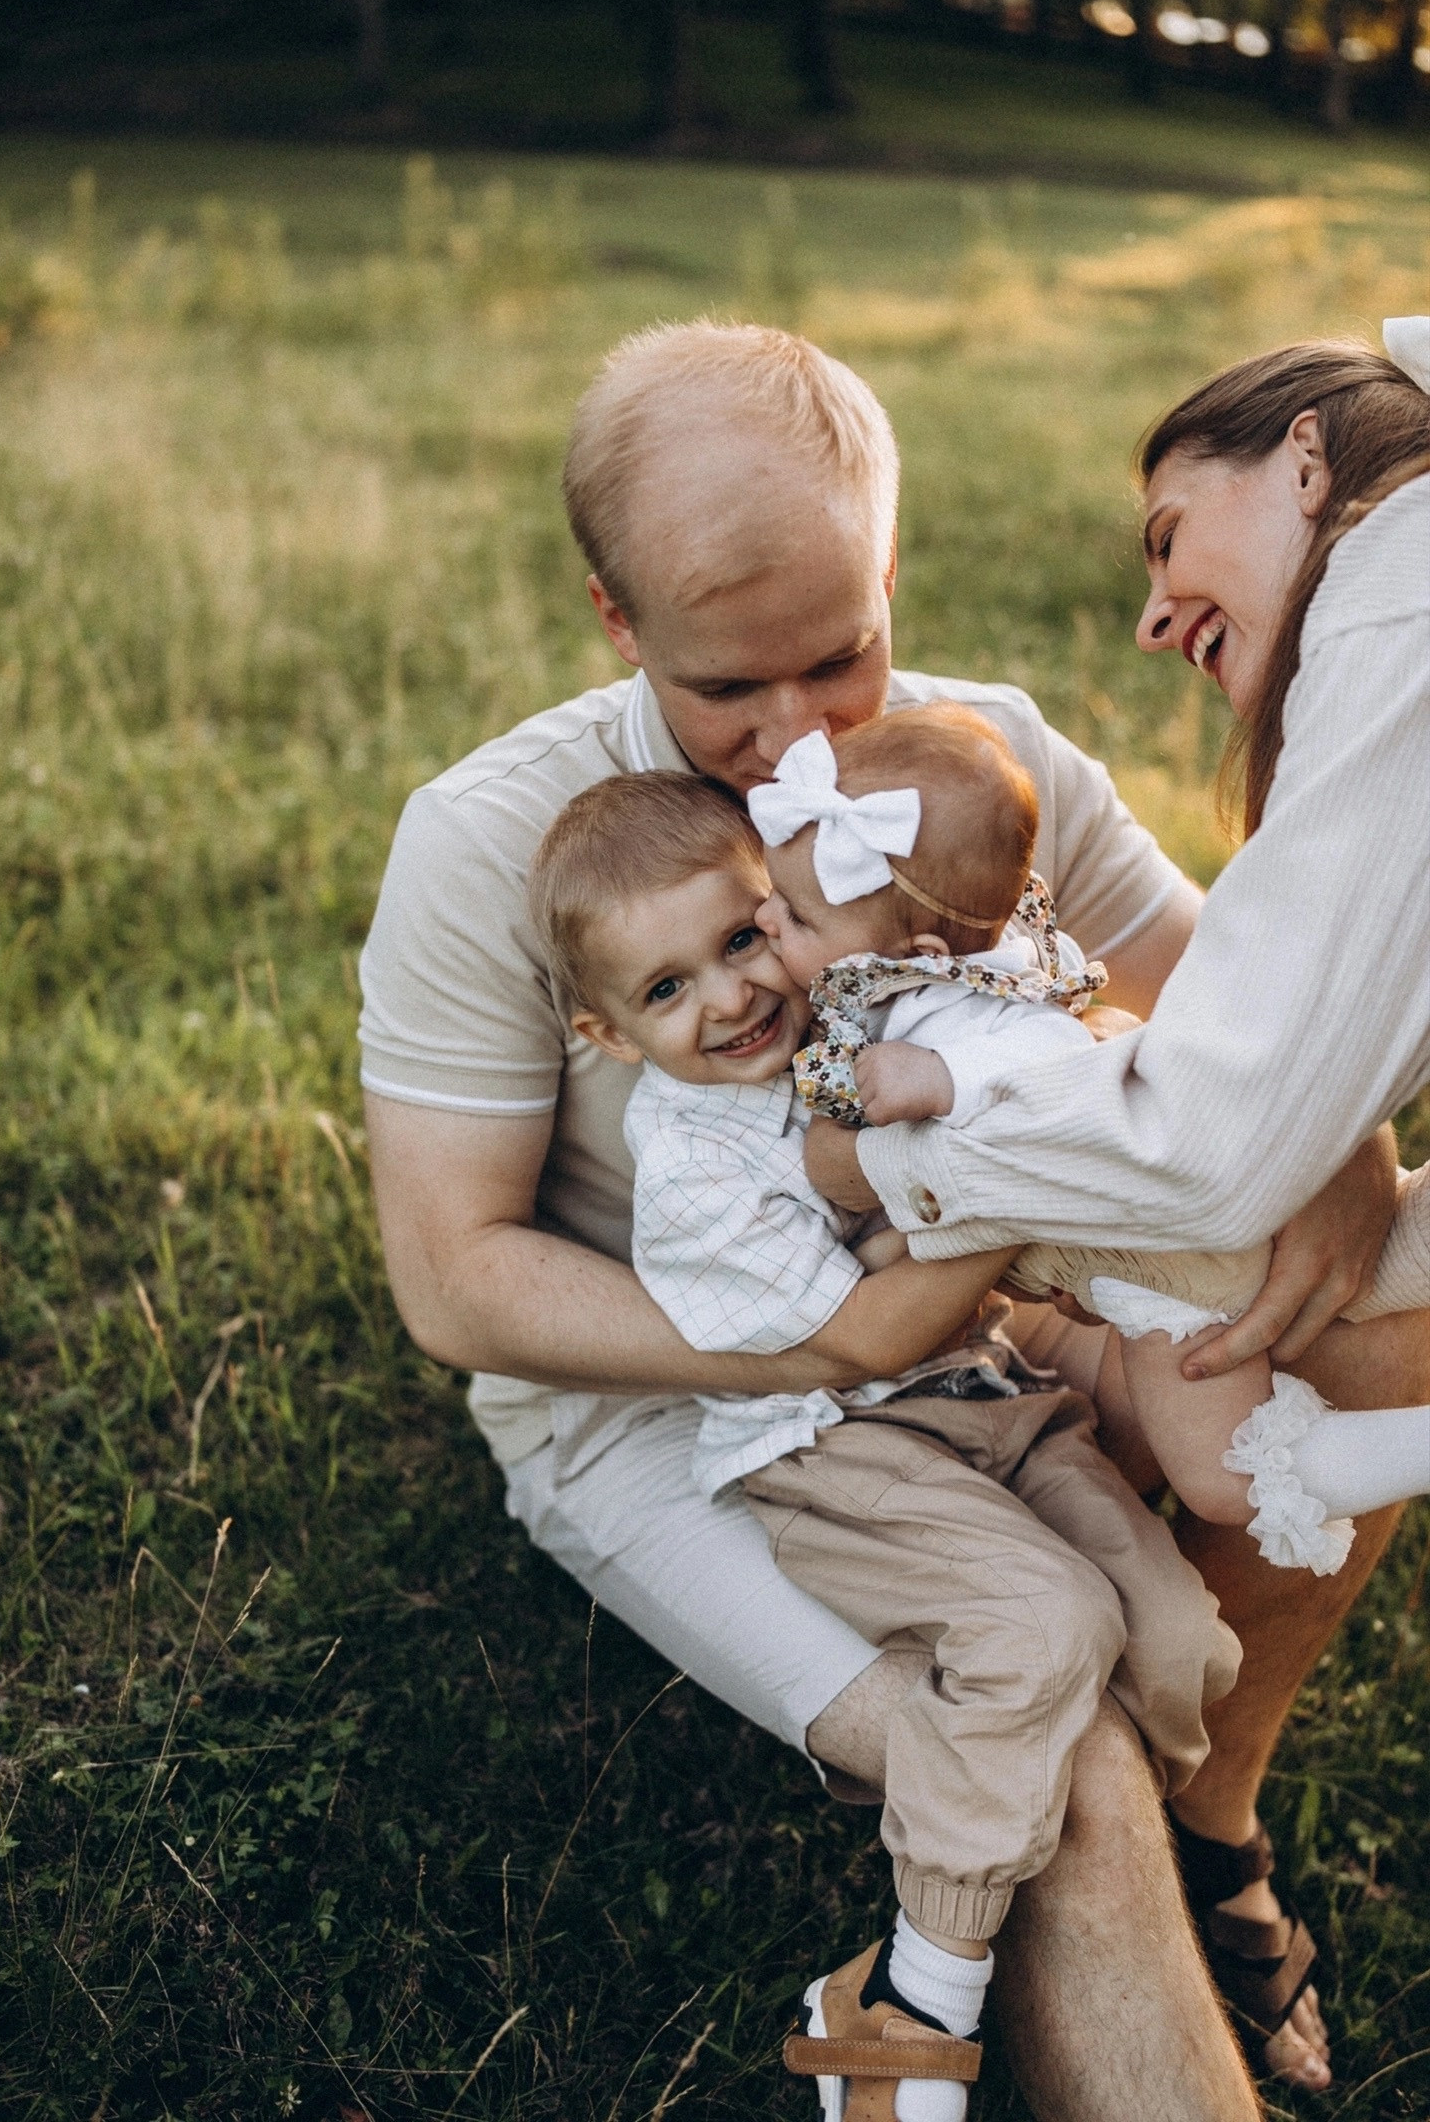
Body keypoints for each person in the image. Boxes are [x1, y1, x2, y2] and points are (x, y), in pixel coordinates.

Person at [356, 321, 1409, 2106]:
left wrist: (1351, 1162)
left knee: (1375, 1307)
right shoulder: (490, 844)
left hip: (990, 1340)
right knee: (1045, 1723)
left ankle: (1216, 1810)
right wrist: (827, 1341)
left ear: (891, 570)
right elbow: (459, 1282)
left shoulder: (975, 762)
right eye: (727, 691)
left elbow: (1233, 1001)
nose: (792, 744)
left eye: (841, 660)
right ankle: (941, 1993)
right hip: (685, 1415)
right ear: (618, 622)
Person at [802, 324, 1430, 2086]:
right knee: (1309, 1292)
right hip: (916, 1385)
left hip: (1043, 1272)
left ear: (1310, 459)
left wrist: (890, 1168)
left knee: (1328, 1282)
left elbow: (1217, 1132)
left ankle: (1208, 1803)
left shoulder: (1407, 577)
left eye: (1169, 533)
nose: (1151, 617)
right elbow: (1279, 1009)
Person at [526, 765, 1240, 2121]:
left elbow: (1019, 1054)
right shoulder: (689, 1162)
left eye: (741, 940)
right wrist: (1003, 1179)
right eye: (667, 991)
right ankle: (914, 1993)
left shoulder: (839, 1022)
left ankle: (1100, 1830)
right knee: (1048, 1626)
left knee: (1177, 1637)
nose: (730, 997)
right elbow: (858, 1335)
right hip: (830, 1440)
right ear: (607, 1034)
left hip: (983, 1392)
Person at [746, 704, 1430, 1575]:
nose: (770, 921)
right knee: (1379, 1263)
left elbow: (1056, 1061)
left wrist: (944, 1084)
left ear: (916, 950)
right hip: (1188, 1214)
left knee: (1231, 1479)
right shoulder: (947, 974)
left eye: (797, 917)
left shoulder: (948, 1012)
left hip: (1162, 1264)